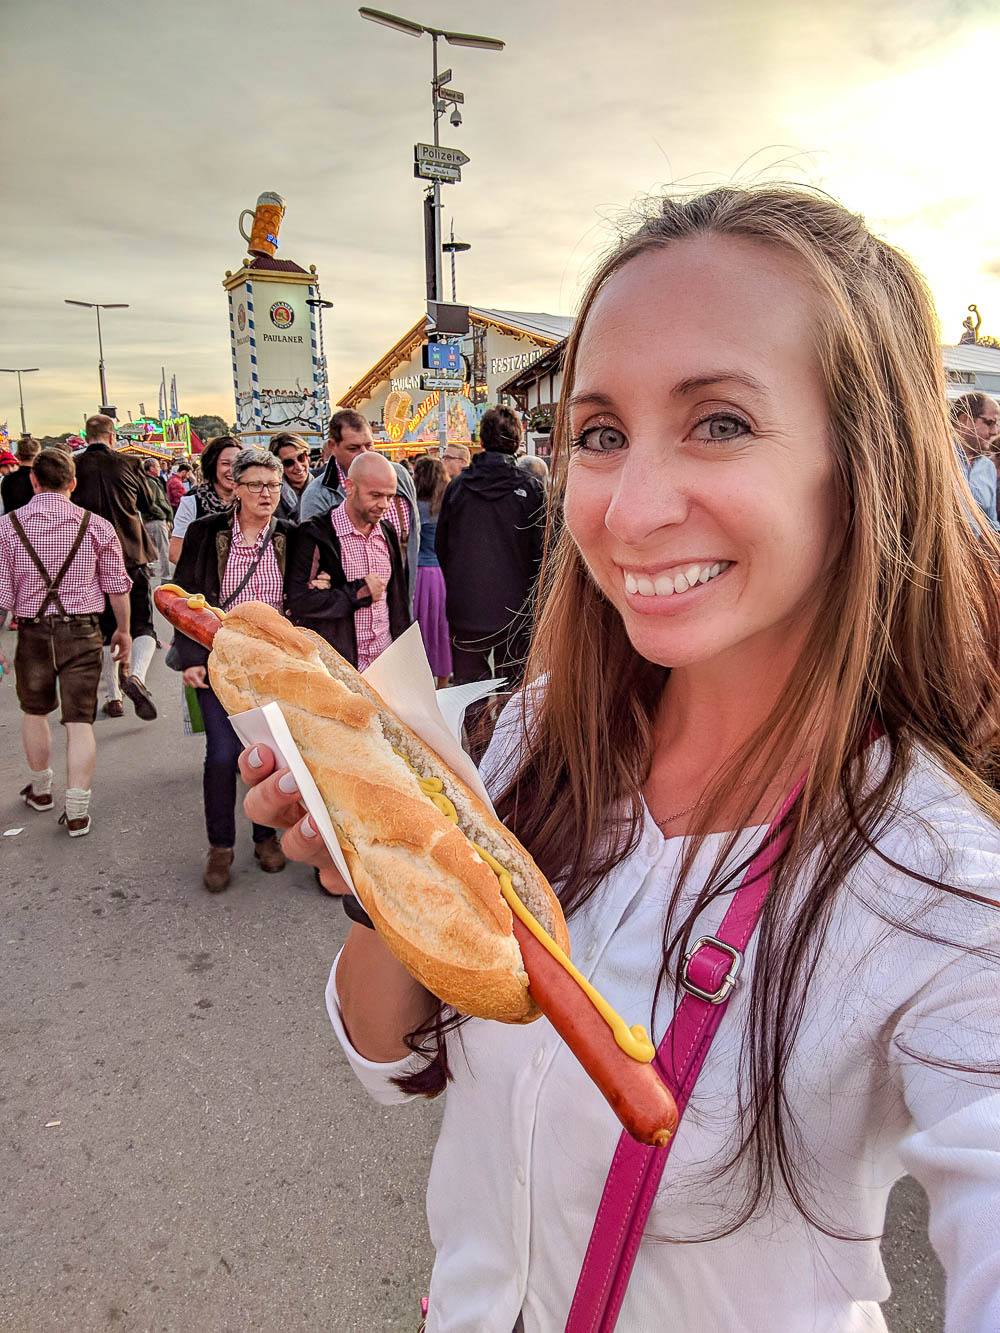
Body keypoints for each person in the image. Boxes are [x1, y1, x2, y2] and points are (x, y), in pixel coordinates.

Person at [242, 186, 1000, 1332]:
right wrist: (375, 878)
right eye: (599, 434)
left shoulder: (945, 884)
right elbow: (395, 1059)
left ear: (866, 463)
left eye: (720, 422)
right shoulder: (535, 732)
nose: (630, 508)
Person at [172, 448, 293, 892]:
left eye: (273, 486)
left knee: (267, 757)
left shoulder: (290, 536)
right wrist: (190, 659)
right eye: (256, 485)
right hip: (217, 661)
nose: (266, 494)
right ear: (236, 490)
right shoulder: (206, 533)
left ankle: (266, 837)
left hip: (271, 667)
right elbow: (181, 598)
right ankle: (220, 847)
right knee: (222, 756)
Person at [0, 448, 131, 837]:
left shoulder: (8, 527)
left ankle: (42, 791)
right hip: (83, 631)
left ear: (34, 482)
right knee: (79, 721)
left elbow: (1, 596)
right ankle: (77, 809)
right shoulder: (96, 525)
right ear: (73, 483)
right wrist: (122, 630)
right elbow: (117, 588)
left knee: (34, 710)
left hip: (34, 631)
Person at [435, 405, 545, 689]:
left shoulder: (458, 488)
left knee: (470, 692)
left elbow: (442, 547)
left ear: (481, 441)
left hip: (467, 608)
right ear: (518, 442)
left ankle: (478, 732)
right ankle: (507, 734)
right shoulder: (530, 489)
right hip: (517, 610)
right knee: (516, 693)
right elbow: (543, 554)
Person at [287, 451, 410, 669]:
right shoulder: (315, 533)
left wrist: (405, 655)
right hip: (341, 669)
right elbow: (300, 601)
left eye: (390, 496)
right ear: (350, 487)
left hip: (386, 661)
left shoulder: (387, 531)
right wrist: (359, 592)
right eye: (375, 495)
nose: (385, 505)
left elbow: (398, 600)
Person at [72, 415, 158, 723]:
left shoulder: (74, 467)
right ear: (112, 436)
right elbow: (149, 503)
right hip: (131, 553)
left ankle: (113, 697)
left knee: (103, 628)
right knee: (143, 624)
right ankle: (136, 676)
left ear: (86, 436)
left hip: (89, 559)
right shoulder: (130, 464)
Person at [300, 410, 420, 609]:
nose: (365, 454)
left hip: (397, 606)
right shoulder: (317, 495)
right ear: (333, 447)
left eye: (369, 445)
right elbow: (314, 573)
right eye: (353, 448)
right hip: (349, 617)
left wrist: (406, 599)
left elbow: (413, 539)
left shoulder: (399, 475)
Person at [412, 454, 452, 685]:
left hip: (418, 575)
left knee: (420, 632)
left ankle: (420, 682)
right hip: (440, 576)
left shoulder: (414, 506)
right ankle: (443, 683)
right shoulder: (444, 505)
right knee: (441, 632)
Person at [168, 436, 239, 565]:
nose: (232, 470)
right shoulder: (192, 502)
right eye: (225, 464)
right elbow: (175, 553)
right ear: (212, 465)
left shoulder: (249, 500)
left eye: (237, 464)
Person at [951, 392, 1000, 531]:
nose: (995, 431)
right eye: (990, 423)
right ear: (964, 420)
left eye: (997, 424)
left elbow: (991, 526)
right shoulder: (937, 460)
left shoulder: (988, 468)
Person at [135, 456, 173, 584]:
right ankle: (166, 576)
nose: (159, 469)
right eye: (157, 466)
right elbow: (152, 503)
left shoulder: (151, 481)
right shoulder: (150, 482)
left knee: (152, 549)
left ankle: (152, 572)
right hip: (156, 519)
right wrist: (163, 515)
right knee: (164, 549)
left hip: (152, 519)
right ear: (150, 468)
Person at [269, 432, 312, 523]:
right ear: (279, 466)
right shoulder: (270, 496)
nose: (298, 466)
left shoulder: (324, 490)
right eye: (289, 463)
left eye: (301, 458)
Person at [0, 436, 41, 515]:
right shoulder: (43, 477)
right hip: (39, 524)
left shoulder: (8, 479)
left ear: (18, 455)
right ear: (37, 455)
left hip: (13, 523)